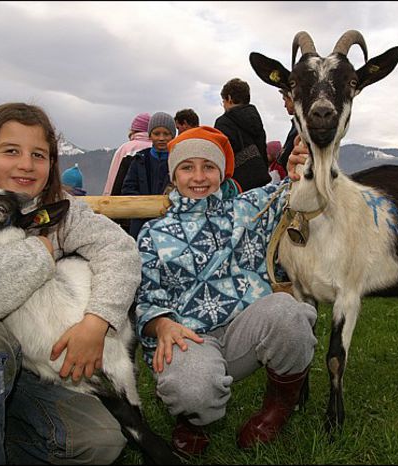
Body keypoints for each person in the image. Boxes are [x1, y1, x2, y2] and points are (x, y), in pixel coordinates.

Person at [0, 102, 142, 464]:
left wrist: (98, 320)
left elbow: (121, 252)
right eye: (10, 151)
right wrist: (39, 251)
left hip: (35, 375)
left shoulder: (58, 211)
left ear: (52, 162)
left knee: (102, 441)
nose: (25, 164)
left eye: (39, 154)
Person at [135, 126, 317, 457]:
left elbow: (296, 189)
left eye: (208, 166)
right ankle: (193, 421)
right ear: (173, 175)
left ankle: (276, 409)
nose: (199, 176)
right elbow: (148, 300)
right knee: (192, 389)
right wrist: (162, 324)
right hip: (190, 338)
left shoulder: (249, 208)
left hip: (245, 330)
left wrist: (301, 167)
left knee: (290, 312)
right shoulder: (153, 233)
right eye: (187, 167)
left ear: (221, 171)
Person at [121, 111, 176, 239]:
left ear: (173, 135)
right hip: (140, 224)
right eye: (157, 134)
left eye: (166, 134)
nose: (161, 138)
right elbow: (128, 189)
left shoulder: (178, 160)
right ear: (150, 135)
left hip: (169, 222)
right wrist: (144, 205)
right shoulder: (139, 159)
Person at [214, 78, 271, 192]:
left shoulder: (224, 121)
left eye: (223, 101)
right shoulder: (256, 120)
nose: (224, 106)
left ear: (229, 98)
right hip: (260, 181)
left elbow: (220, 156)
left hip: (236, 185)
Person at [102, 112, 152, 196]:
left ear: (133, 130)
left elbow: (113, 179)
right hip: (155, 202)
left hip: (126, 201)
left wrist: (107, 198)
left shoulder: (125, 149)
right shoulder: (156, 149)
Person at [277, 89, 298, 170]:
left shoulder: (302, 127)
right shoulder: (296, 125)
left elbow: (285, 156)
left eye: (285, 100)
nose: (284, 105)